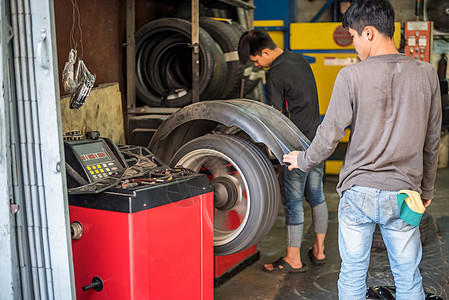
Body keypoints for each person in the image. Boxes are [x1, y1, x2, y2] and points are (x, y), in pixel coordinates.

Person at [283, 0, 442, 298]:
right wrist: (427, 190)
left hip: (358, 193)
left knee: (353, 274)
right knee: (408, 277)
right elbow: (431, 140)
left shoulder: (351, 76)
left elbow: (329, 133)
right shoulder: (427, 73)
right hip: (405, 194)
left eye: (354, 37)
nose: (353, 45)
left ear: (368, 33)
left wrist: (303, 160)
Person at [238, 29, 328, 273]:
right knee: (317, 196)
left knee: (294, 202)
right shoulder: (298, 58)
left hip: (295, 147)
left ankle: (293, 259)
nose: (258, 65)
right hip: (317, 140)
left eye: (257, 60)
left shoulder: (276, 73)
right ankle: (319, 251)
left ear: (265, 52)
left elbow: (275, 116)